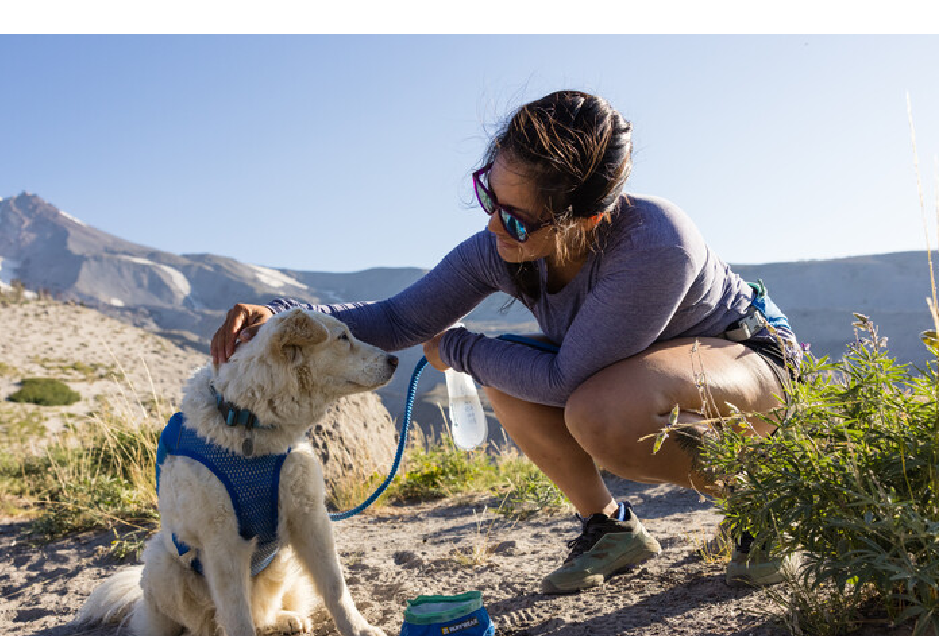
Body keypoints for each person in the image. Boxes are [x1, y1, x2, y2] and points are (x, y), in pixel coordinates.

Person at [211, 91, 803, 594]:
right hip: (632, 370)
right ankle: (611, 527)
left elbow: (565, 381)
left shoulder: (655, 243)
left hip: (747, 356)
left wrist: (462, 349)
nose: (494, 225)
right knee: (513, 381)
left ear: (586, 219)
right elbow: (396, 317)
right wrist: (281, 314)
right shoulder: (501, 250)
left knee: (599, 413)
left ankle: (768, 500)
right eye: (487, 196)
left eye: (517, 218)